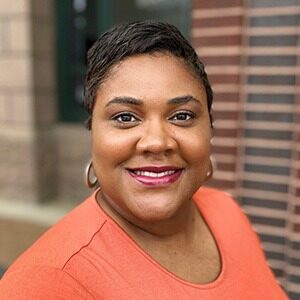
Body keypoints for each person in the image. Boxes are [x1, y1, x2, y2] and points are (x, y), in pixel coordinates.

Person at [0, 21, 287, 299]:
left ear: (210, 130)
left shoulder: (227, 212)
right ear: (93, 135)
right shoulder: (46, 282)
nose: (156, 142)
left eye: (182, 116)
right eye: (125, 117)